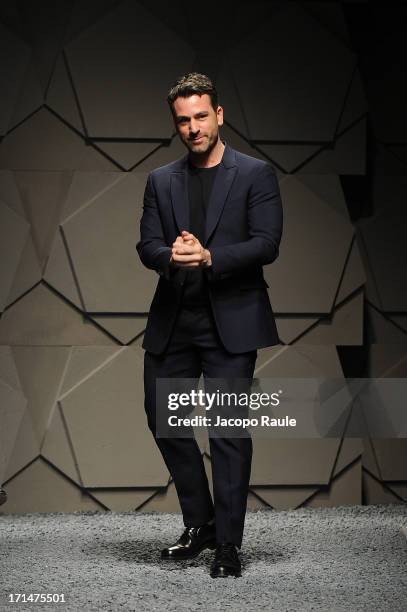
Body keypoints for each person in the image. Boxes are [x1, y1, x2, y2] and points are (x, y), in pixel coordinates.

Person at [136, 73, 283, 578]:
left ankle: (227, 544)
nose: (194, 127)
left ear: (219, 115)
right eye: (184, 120)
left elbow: (267, 243)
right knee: (165, 419)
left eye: (202, 116)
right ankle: (199, 523)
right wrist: (171, 256)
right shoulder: (160, 179)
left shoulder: (256, 174)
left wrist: (211, 255)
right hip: (175, 319)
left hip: (232, 322)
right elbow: (146, 245)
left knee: (227, 432)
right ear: (175, 124)